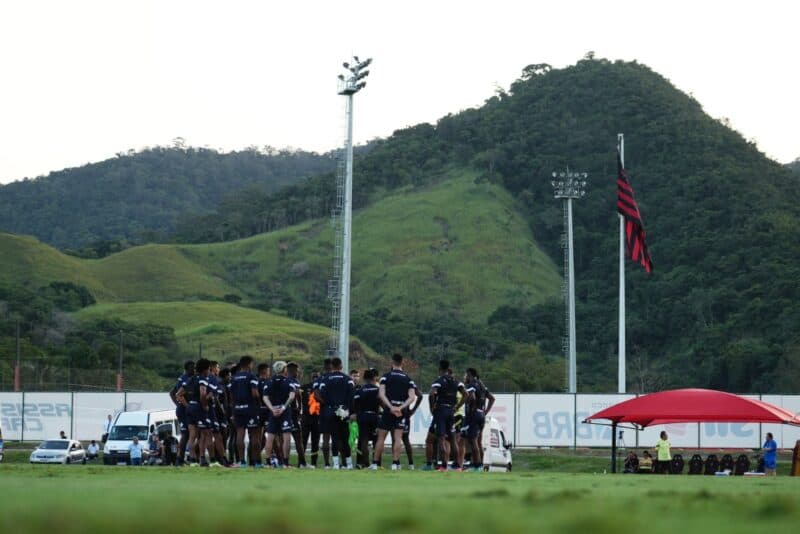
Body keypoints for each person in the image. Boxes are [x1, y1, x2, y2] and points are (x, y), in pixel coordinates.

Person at [372, 353, 417, 471]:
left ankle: (375, 464)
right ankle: (395, 463)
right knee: (398, 437)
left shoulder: (385, 377)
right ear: (402, 363)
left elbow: (381, 394)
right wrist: (401, 407)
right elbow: (412, 397)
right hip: (401, 412)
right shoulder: (408, 379)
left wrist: (391, 406)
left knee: (381, 437)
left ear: (392, 363)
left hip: (388, 410)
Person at [429, 360, 467, 472]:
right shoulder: (456, 381)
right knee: (453, 439)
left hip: (441, 411)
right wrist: (457, 406)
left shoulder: (439, 381)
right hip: (451, 411)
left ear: (440, 369)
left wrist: (432, 407)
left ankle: (444, 466)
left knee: (441, 438)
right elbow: (466, 394)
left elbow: (432, 394)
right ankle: (457, 466)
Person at [318, 357, 355, 469]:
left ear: (332, 366)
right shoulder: (348, 379)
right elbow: (352, 395)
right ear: (341, 366)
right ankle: (348, 464)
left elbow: (321, 394)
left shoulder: (325, 379)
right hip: (343, 410)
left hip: (330, 410)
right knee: (344, 437)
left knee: (334, 437)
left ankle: (335, 464)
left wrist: (332, 405)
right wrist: (347, 408)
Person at [228, 356, 261, 468]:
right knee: (254, 435)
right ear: (248, 364)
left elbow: (231, 397)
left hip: (237, 409)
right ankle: (256, 462)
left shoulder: (234, 378)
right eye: (252, 364)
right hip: (250, 409)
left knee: (240, 435)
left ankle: (242, 462)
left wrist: (233, 412)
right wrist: (259, 403)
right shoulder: (251, 376)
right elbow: (254, 393)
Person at [263, 361, 297, 468]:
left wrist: (272, 409)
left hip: (273, 411)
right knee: (286, 437)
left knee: (270, 437)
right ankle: (285, 463)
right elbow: (291, 396)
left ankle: (268, 463)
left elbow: (265, 397)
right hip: (284, 411)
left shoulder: (269, 382)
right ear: (284, 369)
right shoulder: (289, 381)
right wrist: (283, 407)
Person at [169, 360, 195, 465]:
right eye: (193, 368)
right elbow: (175, 394)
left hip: (184, 409)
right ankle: (179, 459)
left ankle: (183, 458)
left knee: (189, 434)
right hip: (184, 411)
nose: (194, 370)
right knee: (185, 435)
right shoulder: (184, 379)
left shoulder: (187, 378)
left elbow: (172, 392)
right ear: (187, 368)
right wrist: (182, 406)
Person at [353, 368, 380, 468]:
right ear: (373, 378)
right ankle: (376, 463)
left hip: (363, 416)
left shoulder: (359, 390)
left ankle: (366, 463)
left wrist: (356, 413)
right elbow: (382, 402)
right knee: (376, 440)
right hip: (374, 416)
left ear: (364, 378)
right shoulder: (377, 390)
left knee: (363, 440)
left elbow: (355, 405)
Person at [286, 362, 307, 468]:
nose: (298, 373)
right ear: (293, 370)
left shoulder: (284, 380)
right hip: (293, 413)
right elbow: (297, 397)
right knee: (298, 439)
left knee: (285, 438)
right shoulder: (294, 382)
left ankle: (285, 462)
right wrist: (300, 411)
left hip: (285, 413)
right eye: (297, 370)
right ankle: (302, 462)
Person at [302, 372, 322, 468]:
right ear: (311, 377)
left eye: (317, 377)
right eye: (314, 377)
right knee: (303, 440)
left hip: (317, 418)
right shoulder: (304, 387)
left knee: (316, 441)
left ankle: (314, 462)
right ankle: (301, 462)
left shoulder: (321, 388)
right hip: (306, 417)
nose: (315, 378)